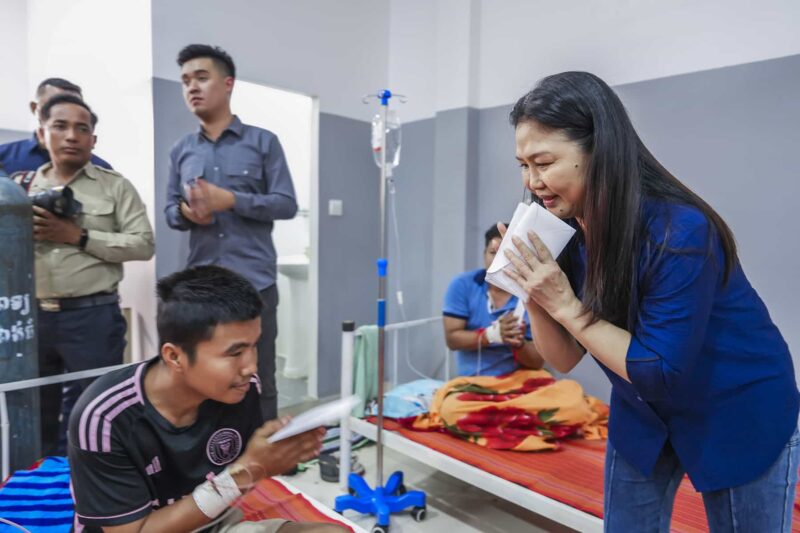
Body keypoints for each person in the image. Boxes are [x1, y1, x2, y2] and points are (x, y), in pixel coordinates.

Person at [502, 71, 799, 532]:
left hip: (735, 406)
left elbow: (659, 369)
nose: (532, 181)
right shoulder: (564, 231)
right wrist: (533, 288)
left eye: (543, 162)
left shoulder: (679, 232)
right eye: (523, 165)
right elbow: (561, 358)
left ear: (599, 151)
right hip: (641, 408)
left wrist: (565, 305)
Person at [68, 266, 344, 532]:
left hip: (211, 524)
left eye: (254, 346)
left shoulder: (244, 390)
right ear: (174, 357)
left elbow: (245, 468)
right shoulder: (104, 418)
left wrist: (276, 452)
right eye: (235, 353)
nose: (251, 367)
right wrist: (247, 472)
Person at [13, 94, 154, 455]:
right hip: (34, 320)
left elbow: (143, 244)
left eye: (82, 128)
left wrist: (78, 236)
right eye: (60, 126)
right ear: (42, 134)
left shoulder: (115, 186)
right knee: (34, 413)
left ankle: (98, 478)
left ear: (93, 139)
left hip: (93, 318)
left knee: (100, 410)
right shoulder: (19, 189)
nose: (71, 136)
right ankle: (42, 479)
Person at [165, 44, 297, 421]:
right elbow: (170, 212)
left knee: (259, 375)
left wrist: (231, 200)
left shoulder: (263, 142)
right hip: (204, 286)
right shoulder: (181, 150)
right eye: (185, 81)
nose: (192, 87)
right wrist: (188, 212)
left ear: (227, 84)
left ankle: (265, 445)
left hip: (255, 284)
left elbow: (286, 203)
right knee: (205, 376)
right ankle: (215, 447)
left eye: (201, 78)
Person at [443, 224, 544, 376]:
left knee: (571, 391)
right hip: (474, 380)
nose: (499, 261)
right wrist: (491, 335)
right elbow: (452, 340)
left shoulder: (532, 293)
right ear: (484, 254)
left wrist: (518, 343)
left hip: (521, 381)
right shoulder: (463, 285)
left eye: (506, 254)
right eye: (493, 253)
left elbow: (537, 362)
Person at [0, 77, 112, 174]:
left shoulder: (102, 171)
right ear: (34, 108)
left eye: (74, 104)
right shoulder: (3, 157)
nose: (66, 111)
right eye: (54, 104)